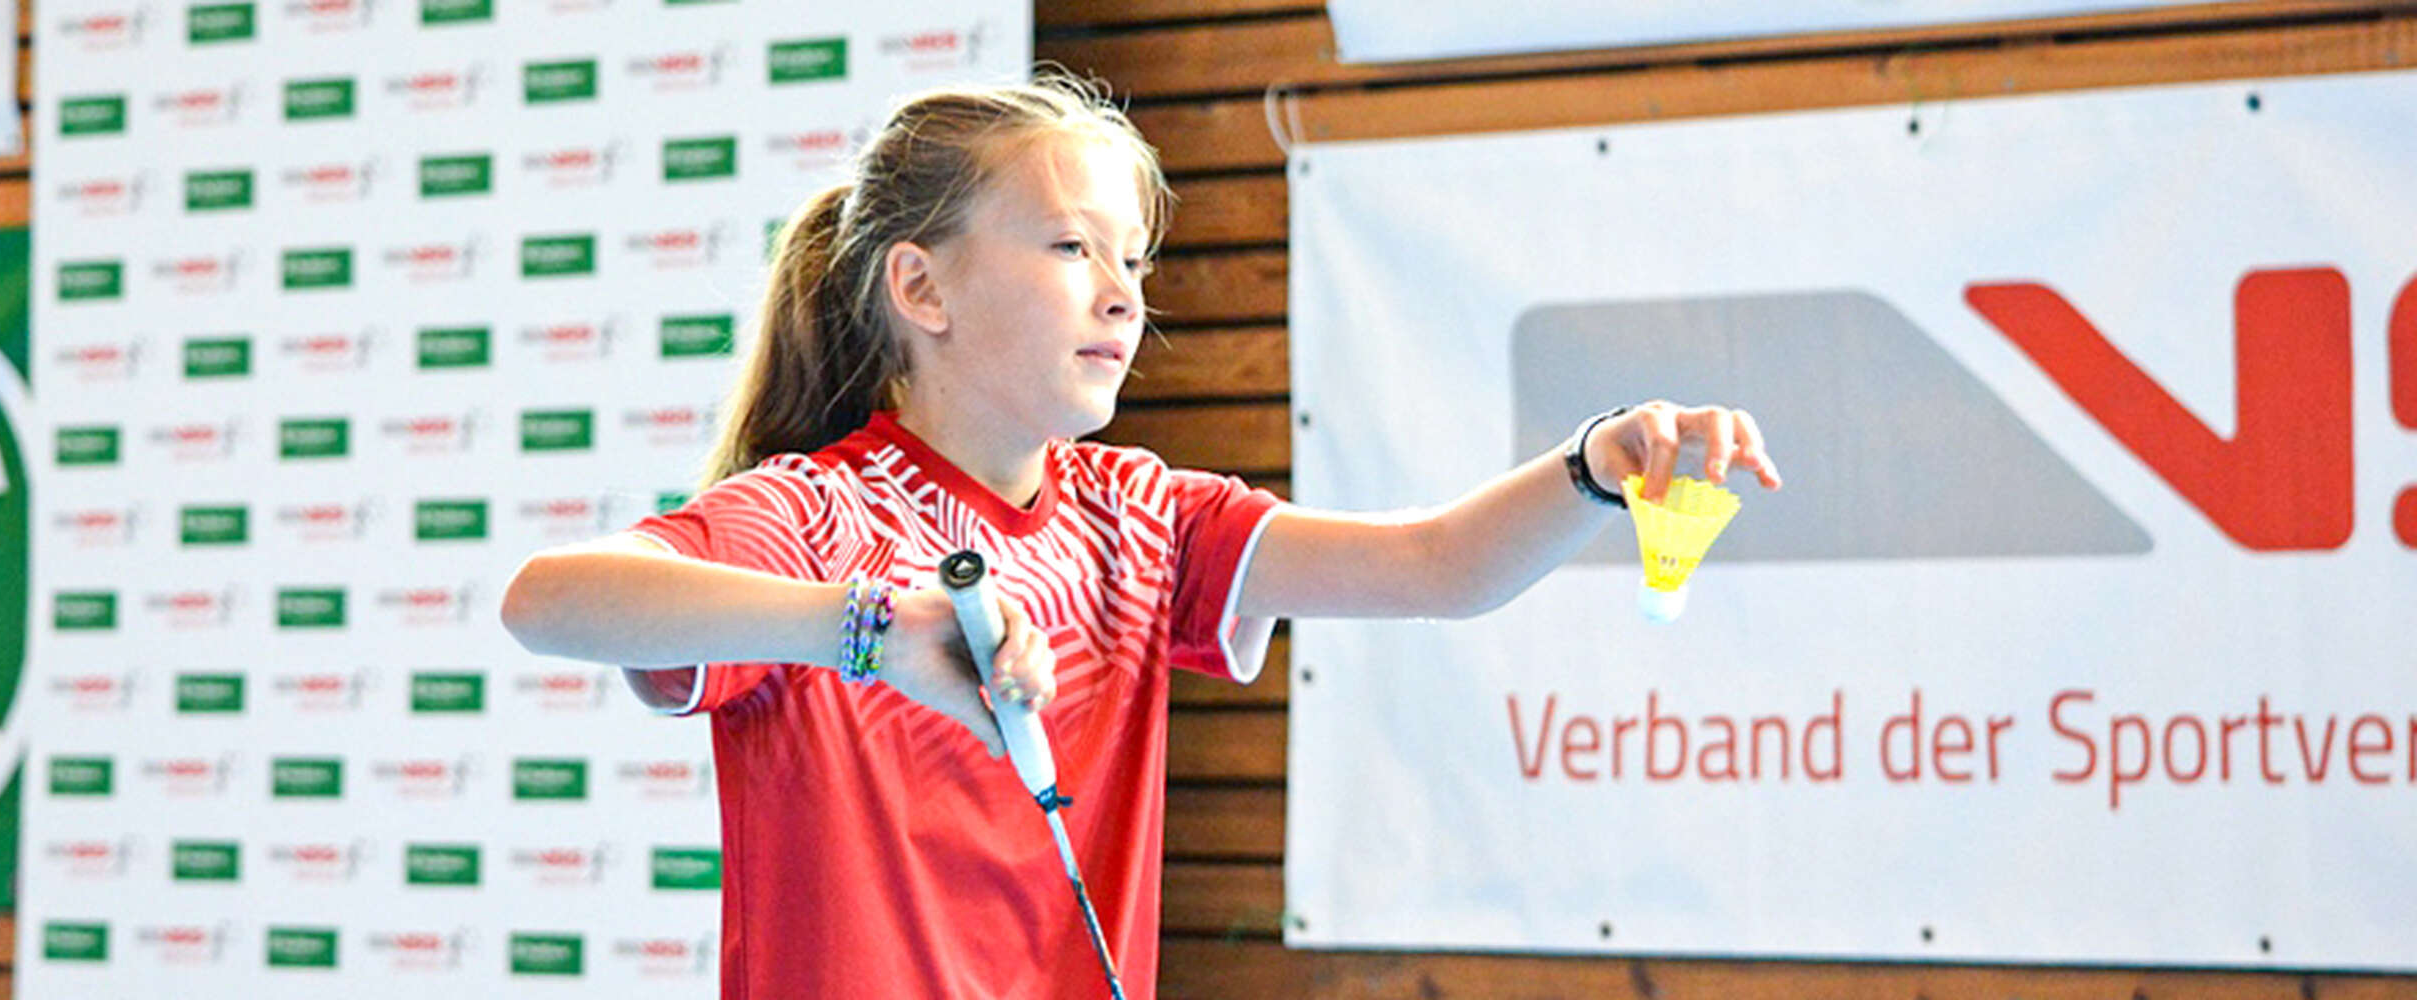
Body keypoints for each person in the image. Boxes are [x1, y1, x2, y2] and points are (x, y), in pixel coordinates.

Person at [499, 71, 1781, 999]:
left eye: (1135, 262)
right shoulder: (818, 514)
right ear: (920, 285)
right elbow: (550, 599)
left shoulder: (1139, 514)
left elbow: (1432, 569)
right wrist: (867, 628)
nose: (1122, 293)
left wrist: (1593, 465)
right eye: (1068, 247)